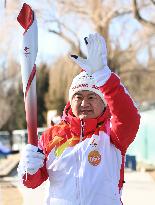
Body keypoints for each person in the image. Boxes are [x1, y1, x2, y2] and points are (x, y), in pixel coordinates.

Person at [17, 33, 140, 205]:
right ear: (71, 100)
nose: (84, 103)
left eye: (91, 97)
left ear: (103, 102)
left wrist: (104, 76)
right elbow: (32, 182)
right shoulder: (50, 137)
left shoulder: (113, 133)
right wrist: (27, 169)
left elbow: (129, 118)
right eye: (78, 97)